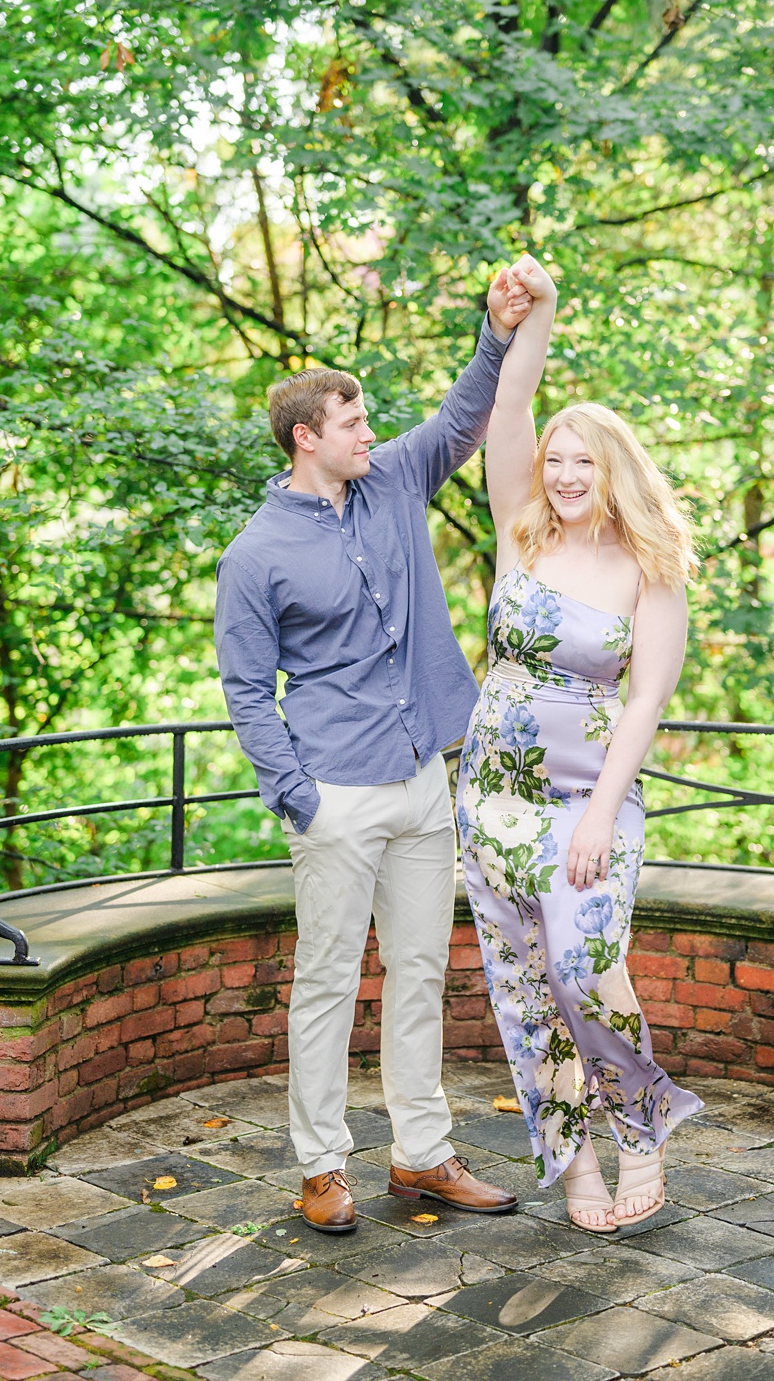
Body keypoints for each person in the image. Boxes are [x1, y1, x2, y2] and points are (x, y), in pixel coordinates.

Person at [214, 268, 538, 1236]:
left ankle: (420, 1155)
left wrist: (496, 329)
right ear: (306, 436)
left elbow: (461, 418)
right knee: (323, 982)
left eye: (366, 422)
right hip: (336, 793)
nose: (370, 433)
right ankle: (320, 1166)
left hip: (421, 778)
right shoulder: (256, 554)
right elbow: (245, 688)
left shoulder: (394, 480)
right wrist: (297, 797)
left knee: (420, 971)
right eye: (352, 423)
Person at [457, 255, 702, 1232]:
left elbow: (646, 699)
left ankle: (638, 1124)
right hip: (493, 800)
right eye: (555, 459)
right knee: (525, 986)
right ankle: (572, 1161)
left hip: (587, 802)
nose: (560, 474)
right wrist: (535, 310)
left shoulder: (651, 566)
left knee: (586, 959)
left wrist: (602, 811)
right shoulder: (523, 532)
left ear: (614, 473)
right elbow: (508, 410)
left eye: (581, 462)